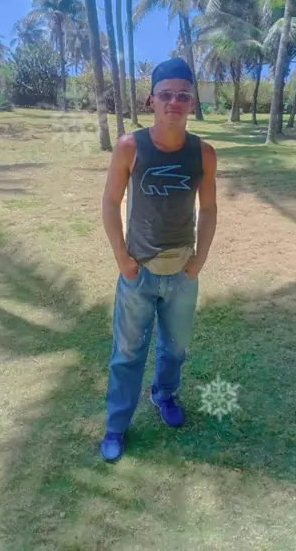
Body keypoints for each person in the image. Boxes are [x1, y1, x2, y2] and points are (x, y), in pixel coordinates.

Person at [100, 57, 217, 462]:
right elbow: (111, 201)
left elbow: (210, 208)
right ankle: (116, 424)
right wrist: (122, 258)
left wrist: (199, 259)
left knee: (175, 348)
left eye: (183, 95)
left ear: (192, 102)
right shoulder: (130, 147)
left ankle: (164, 394)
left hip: (182, 273)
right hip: (140, 271)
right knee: (128, 352)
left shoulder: (204, 153)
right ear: (151, 99)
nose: (174, 102)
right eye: (166, 94)